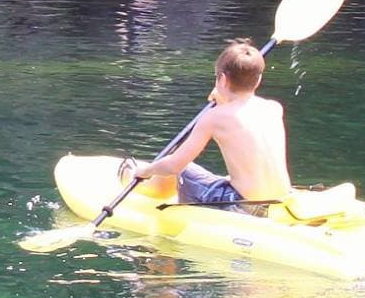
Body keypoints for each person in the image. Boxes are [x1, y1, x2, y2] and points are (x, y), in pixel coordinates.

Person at [122, 38, 289, 212]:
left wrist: (147, 170)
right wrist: (225, 99)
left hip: (242, 206)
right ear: (258, 79)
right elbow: (239, 115)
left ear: (222, 79)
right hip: (281, 203)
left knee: (183, 169)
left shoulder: (213, 117)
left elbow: (175, 165)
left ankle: (140, 183)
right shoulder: (274, 108)